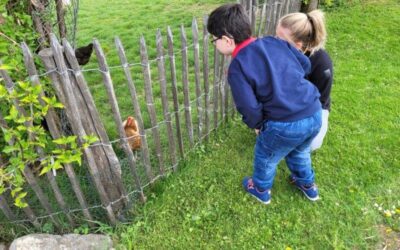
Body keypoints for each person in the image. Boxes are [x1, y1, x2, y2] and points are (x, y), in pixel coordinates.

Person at [207, 3, 322, 204]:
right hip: (314, 111)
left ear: (226, 40)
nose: (214, 44)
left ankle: (260, 188)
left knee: (266, 155)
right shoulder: (273, 42)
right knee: (299, 150)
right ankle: (307, 184)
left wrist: (259, 126)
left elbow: (249, 107)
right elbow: (304, 64)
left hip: (284, 124)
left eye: (213, 40)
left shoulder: (238, 66)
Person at [276, 10, 333, 151]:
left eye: (280, 38)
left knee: (311, 145)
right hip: (287, 101)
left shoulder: (322, 65)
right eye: (275, 36)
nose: (275, 41)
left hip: (313, 107)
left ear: (299, 44)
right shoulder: (279, 52)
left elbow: (319, 102)